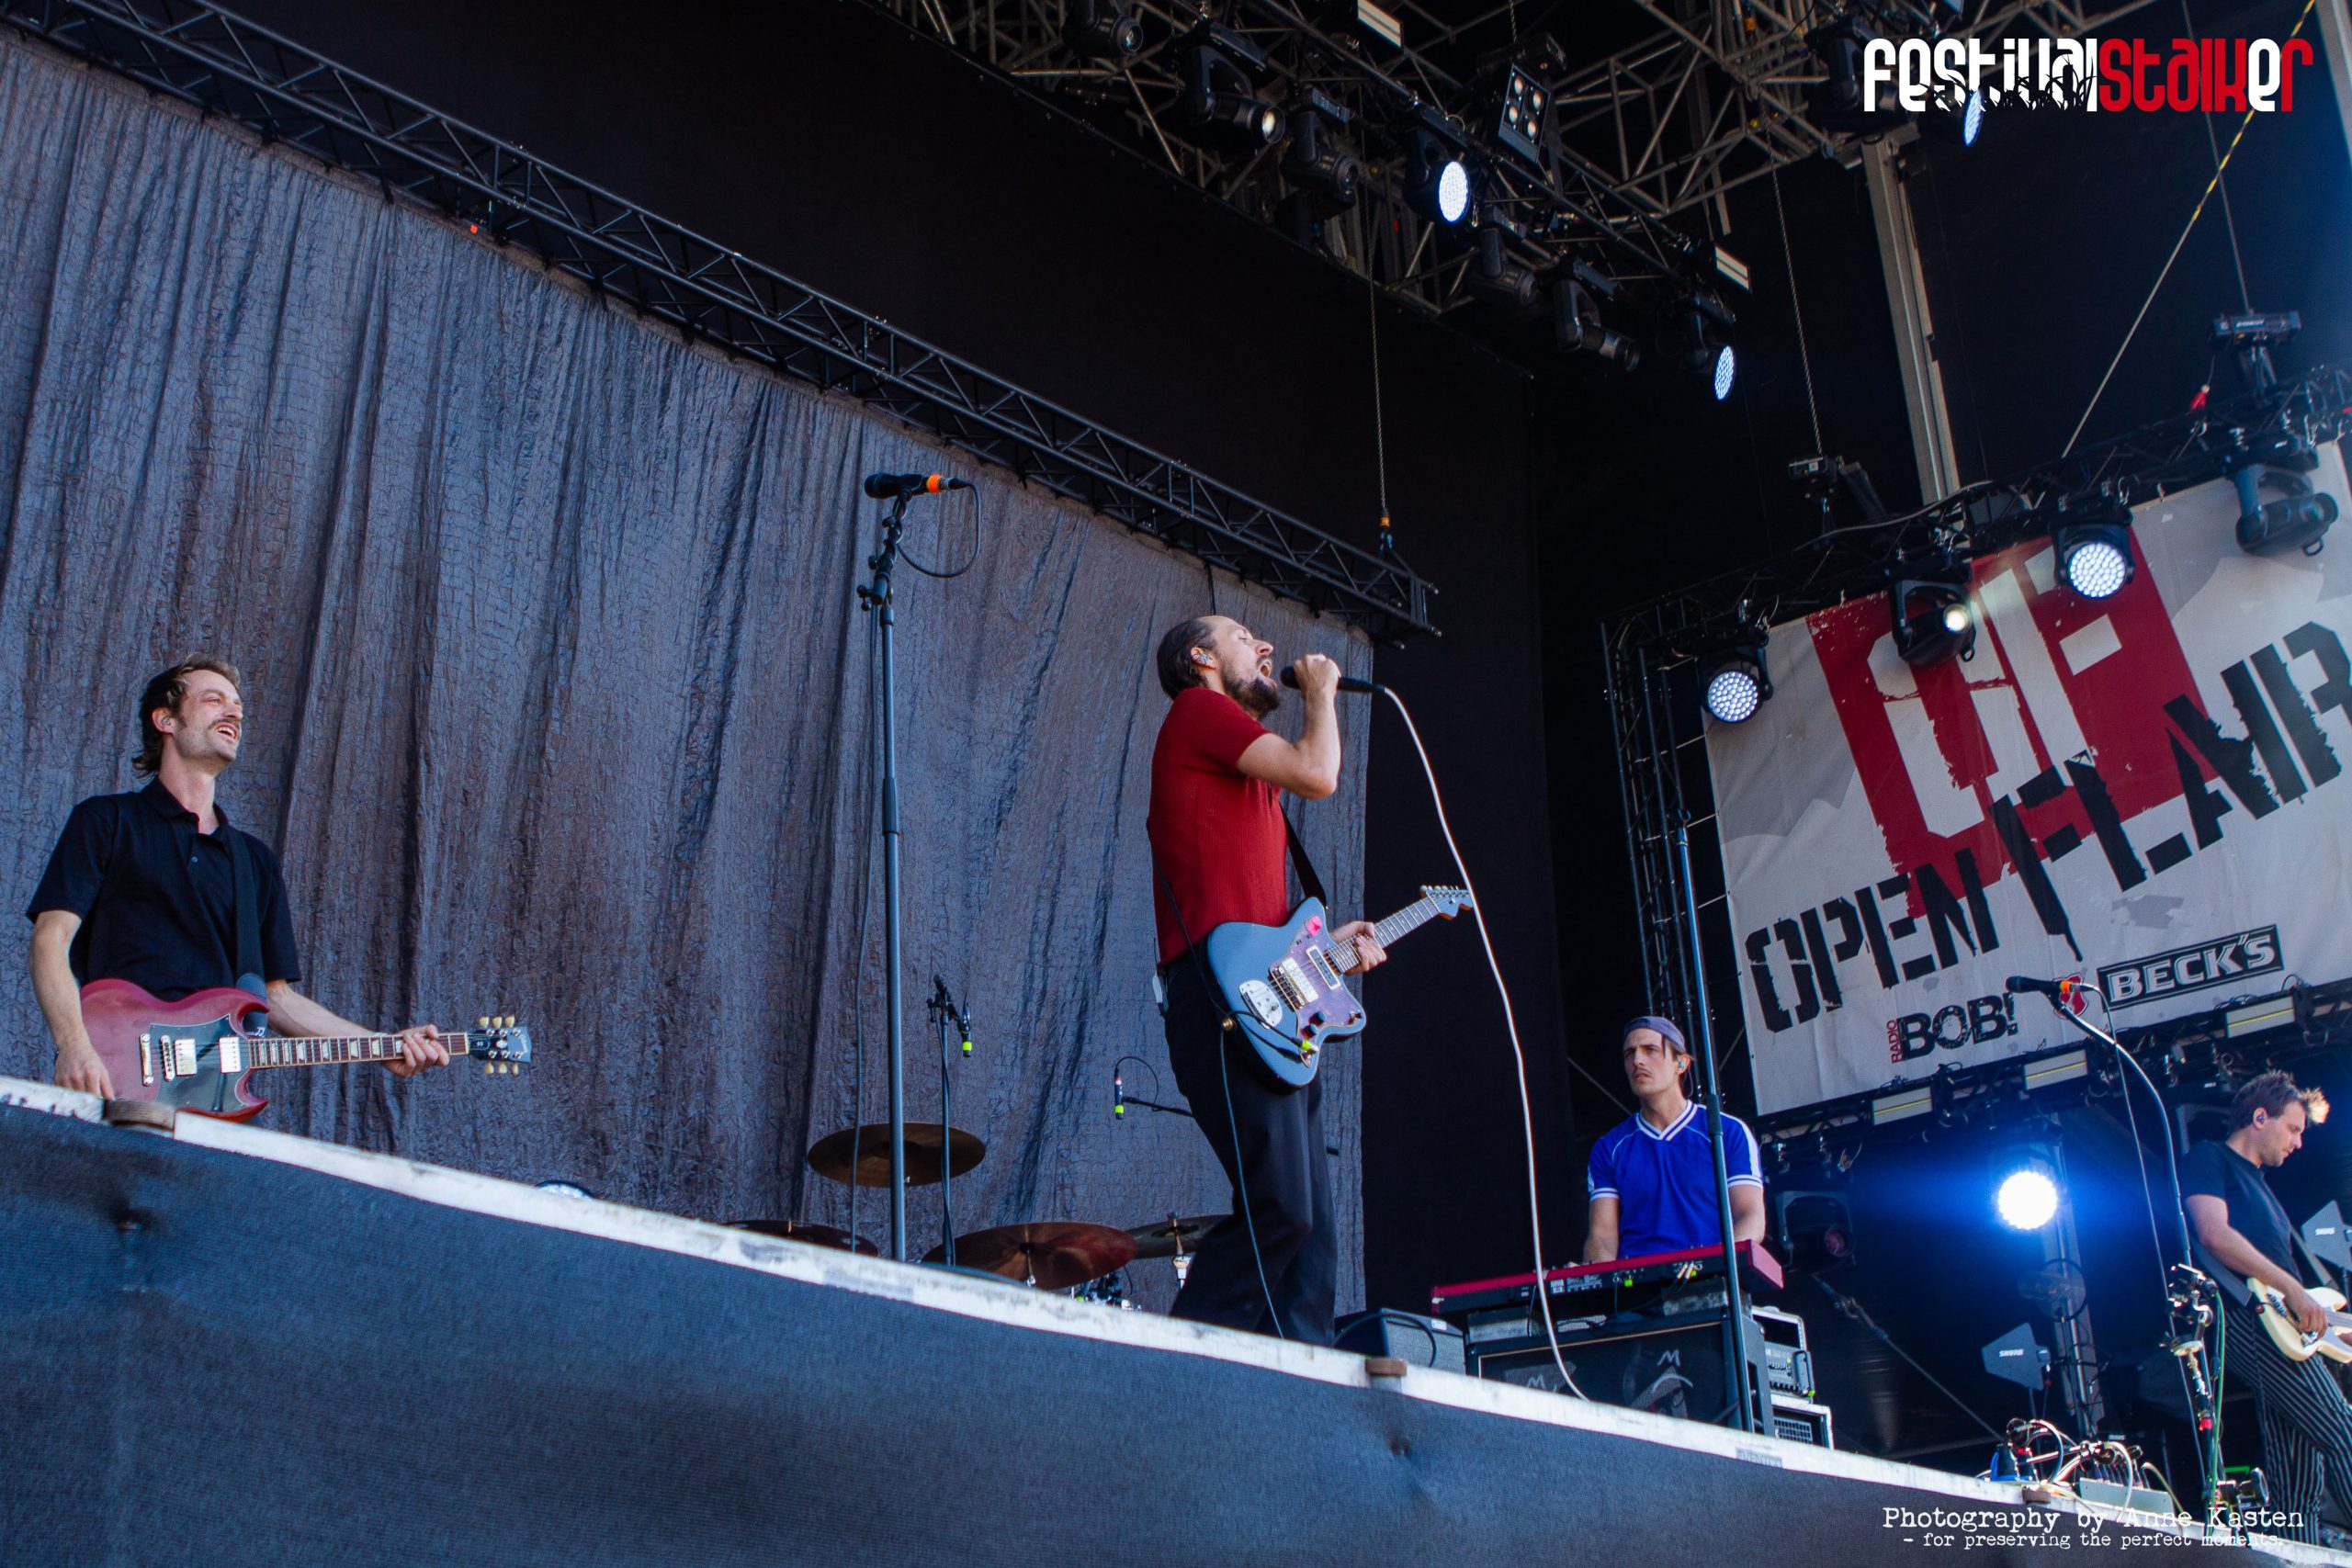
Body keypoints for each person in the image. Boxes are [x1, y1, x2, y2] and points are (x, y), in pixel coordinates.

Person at [28, 657, 448, 1098]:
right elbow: (50, 939)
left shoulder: (254, 862)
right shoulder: (106, 821)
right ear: (165, 719)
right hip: (115, 1080)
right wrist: (74, 1046)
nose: (233, 714)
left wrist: (382, 1046)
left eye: (238, 708)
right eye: (214, 700)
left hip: (210, 1098)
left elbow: (276, 999)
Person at [1146, 615, 1385, 1344]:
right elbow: (1320, 773)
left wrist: (1325, 949)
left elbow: (1258, 923)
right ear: (1201, 657)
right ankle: (1179, 1367)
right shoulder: (1198, 711)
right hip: (1221, 1003)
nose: (1266, 647)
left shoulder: (1246, 769)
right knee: (1282, 1206)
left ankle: (1302, 1388)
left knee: (1311, 1235)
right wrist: (1321, 693)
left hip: (1268, 1005)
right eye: (1243, 635)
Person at [2183, 1070, 2350, 1543]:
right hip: (2246, 1321)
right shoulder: (2209, 1157)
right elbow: (2213, 1234)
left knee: (2298, 1481)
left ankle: (2297, 1555)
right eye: (2293, 1128)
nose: (2298, 1142)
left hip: (2283, 1331)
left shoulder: (2262, 1189)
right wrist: (2293, 1290)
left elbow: (2296, 1297)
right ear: (2260, 1117)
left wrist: (2327, 1321)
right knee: (2343, 1433)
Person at [1584, 1016, 1766, 1263]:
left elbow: (1751, 1218)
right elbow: (1602, 1238)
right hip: (1638, 1284)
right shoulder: (1609, 1148)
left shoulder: (1727, 1131)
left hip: (1714, 1275)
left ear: (1681, 1063)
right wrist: (1593, 1275)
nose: (1637, 1060)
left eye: (1650, 1050)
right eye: (1629, 1053)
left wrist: (1712, 1264)